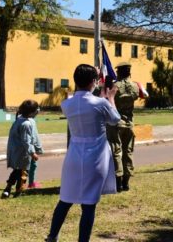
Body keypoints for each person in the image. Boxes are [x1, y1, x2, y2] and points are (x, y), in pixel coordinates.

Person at [45, 64, 120, 242]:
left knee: (65, 199)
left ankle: (52, 236)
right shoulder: (100, 103)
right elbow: (115, 119)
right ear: (94, 82)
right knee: (89, 204)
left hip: (74, 154)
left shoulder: (67, 104)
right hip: (96, 156)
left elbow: (86, 102)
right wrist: (110, 98)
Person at [106, 62, 139, 192]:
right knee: (128, 152)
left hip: (117, 122)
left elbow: (109, 99)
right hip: (129, 123)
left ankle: (118, 182)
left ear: (119, 72)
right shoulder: (135, 86)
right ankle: (126, 182)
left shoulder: (115, 86)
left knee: (116, 152)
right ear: (129, 72)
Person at [1, 100, 42, 198]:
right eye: (36, 110)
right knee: (23, 172)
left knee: (16, 171)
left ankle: (8, 188)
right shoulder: (26, 124)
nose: (38, 111)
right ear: (31, 112)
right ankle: (18, 191)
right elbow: (26, 141)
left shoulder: (19, 120)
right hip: (23, 153)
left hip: (15, 150)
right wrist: (33, 153)